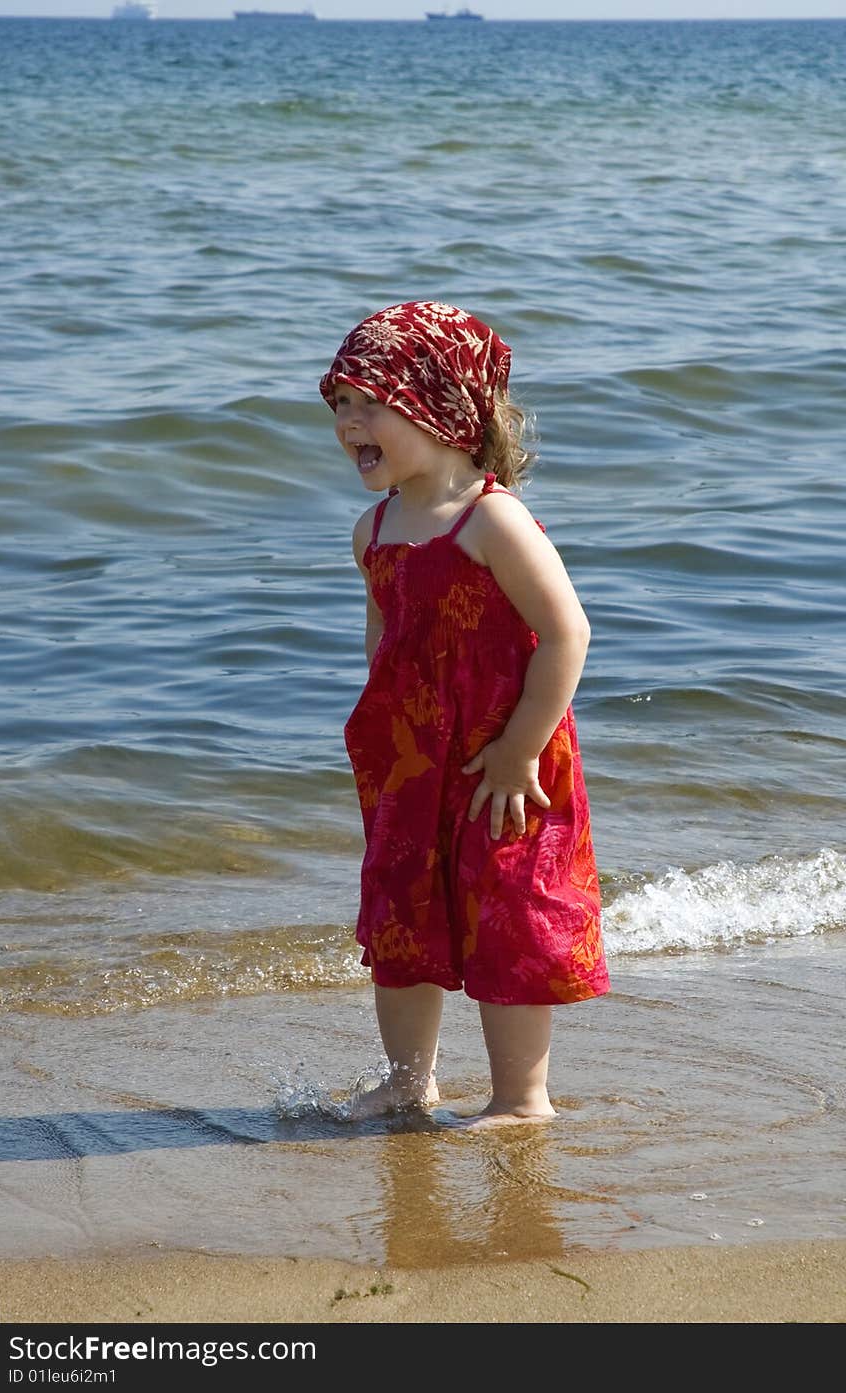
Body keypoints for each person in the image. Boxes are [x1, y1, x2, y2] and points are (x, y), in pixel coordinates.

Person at [320, 300, 609, 1128]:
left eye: (369, 401)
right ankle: (409, 1079)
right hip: (411, 761)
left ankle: (522, 1098)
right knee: (401, 912)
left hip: (502, 760)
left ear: (438, 405)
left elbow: (567, 631)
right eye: (339, 404)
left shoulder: (493, 518)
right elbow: (386, 642)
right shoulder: (371, 529)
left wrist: (522, 746)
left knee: (507, 912)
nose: (348, 422)